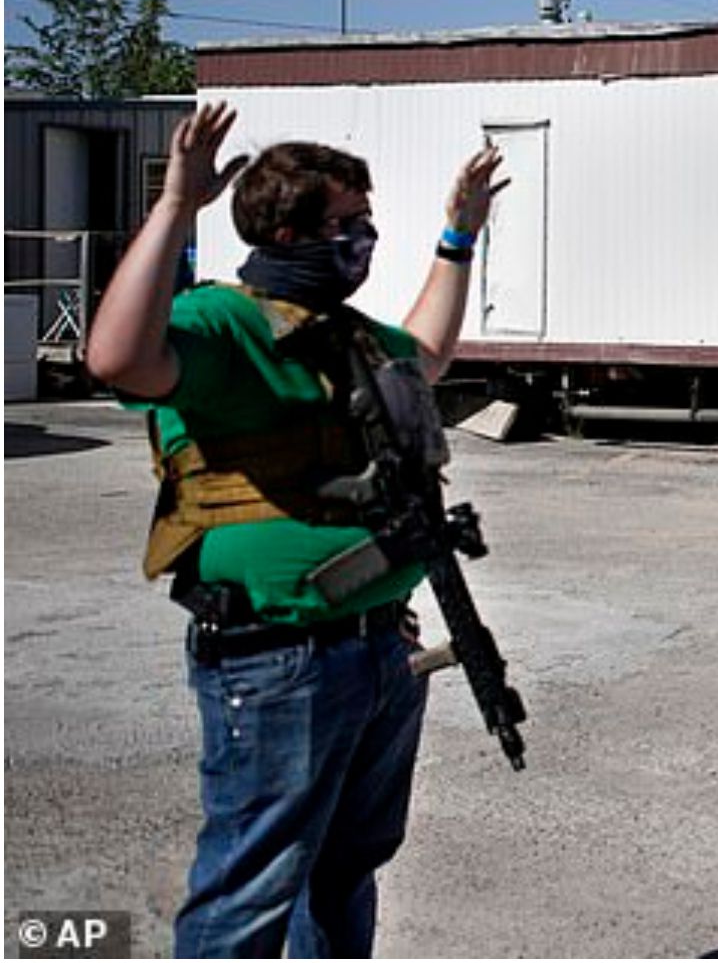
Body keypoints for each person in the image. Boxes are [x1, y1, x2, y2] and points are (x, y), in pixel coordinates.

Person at [85, 102, 508, 954]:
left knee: (345, 869)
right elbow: (118, 358)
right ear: (286, 232)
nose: (364, 239)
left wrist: (458, 238)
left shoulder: (343, 335)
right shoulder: (224, 323)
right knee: (248, 889)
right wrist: (176, 208)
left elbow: (426, 353)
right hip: (277, 657)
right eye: (348, 224)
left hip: (380, 649)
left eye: (367, 221)